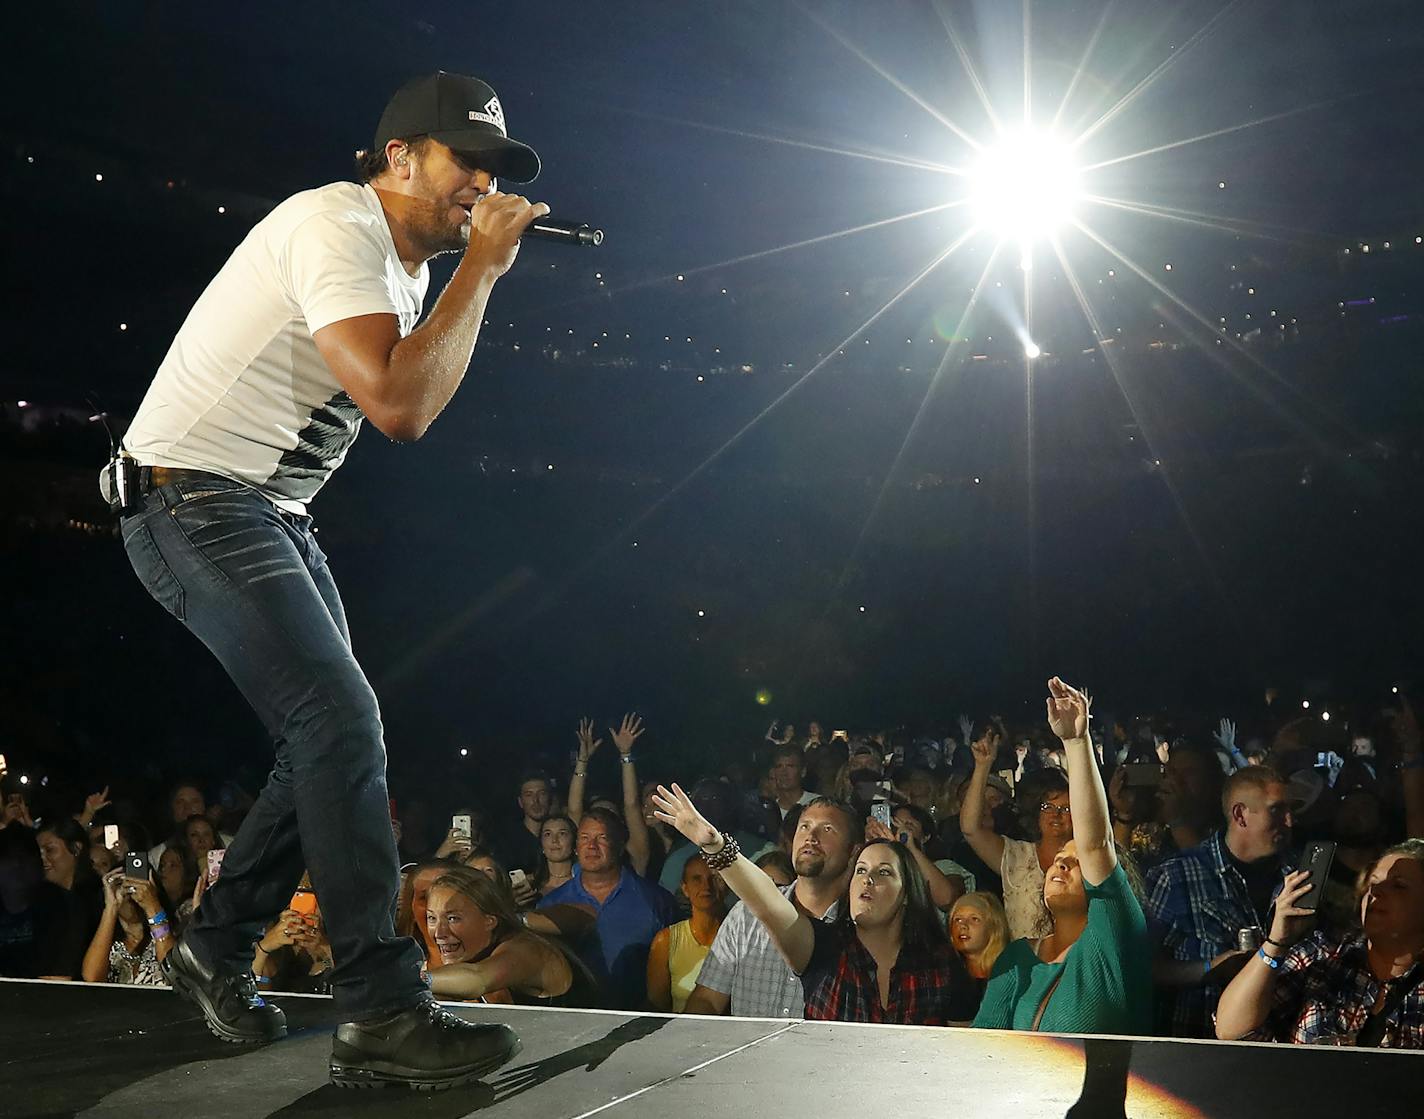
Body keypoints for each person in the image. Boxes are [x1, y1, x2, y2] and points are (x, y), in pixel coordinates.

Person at [112, 70, 543, 1086]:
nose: (478, 184)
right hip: (193, 495)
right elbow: (400, 407)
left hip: (263, 507)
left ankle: (214, 950)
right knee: (337, 725)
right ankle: (385, 1013)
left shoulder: (406, 266)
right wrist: (482, 270)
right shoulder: (334, 228)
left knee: (326, 739)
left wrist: (467, 272)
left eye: (491, 169)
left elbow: (414, 403)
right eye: (460, 161)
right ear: (397, 158)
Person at [654, 787, 978, 1026]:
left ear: (907, 891)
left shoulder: (938, 964)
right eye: (863, 871)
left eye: (883, 873)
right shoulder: (826, 947)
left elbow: (960, 1055)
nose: (867, 880)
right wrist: (715, 845)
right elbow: (766, 904)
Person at [973, 678, 1153, 1035]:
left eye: (1075, 861)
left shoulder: (1114, 942)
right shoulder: (1017, 958)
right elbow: (985, 1042)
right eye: (1059, 859)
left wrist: (1076, 741)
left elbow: (1097, 844)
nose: (1061, 863)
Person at [1216, 839, 1424, 1047]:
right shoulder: (1321, 956)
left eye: (1399, 886)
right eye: (1373, 883)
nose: (1375, 893)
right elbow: (1230, 1030)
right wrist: (1276, 943)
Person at [1144, 765, 1296, 1037]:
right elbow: (1141, 967)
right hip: (1198, 1045)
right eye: (1277, 810)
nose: (1289, 821)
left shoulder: (1292, 879)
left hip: (1274, 1048)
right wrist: (1208, 969)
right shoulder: (1178, 877)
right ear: (1240, 815)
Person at [684, 799, 854, 1017]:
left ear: (853, 850)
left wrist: (717, 846)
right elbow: (707, 998)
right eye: (805, 826)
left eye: (827, 829)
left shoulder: (857, 926)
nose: (811, 837)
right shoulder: (745, 914)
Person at [537, 807, 678, 1009]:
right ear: (576, 846)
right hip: (572, 1022)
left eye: (601, 838)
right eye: (584, 838)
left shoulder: (656, 901)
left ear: (620, 847)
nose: (592, 846)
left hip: (640, 1022)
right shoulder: (552, 905)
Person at [428, 866, 599, 1007]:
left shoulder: (526, 949)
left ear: (489, 921)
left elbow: (477, 979)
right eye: (432, 918)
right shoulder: (474, 952)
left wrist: (411, 980)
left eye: (453, 918)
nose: (439, 933)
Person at [960, 725, 1070, 940]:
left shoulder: (1086, 860)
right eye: (1048, 807)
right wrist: (982, 766)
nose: (1056, 815)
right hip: (1025, 969)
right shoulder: (1017, 856)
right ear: (1036, 811)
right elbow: (970, 829)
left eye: (1066, 809)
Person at [658, 778, 774, 896]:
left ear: (728, 804)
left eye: (714, 799)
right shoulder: (678, 857)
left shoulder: (762, 849)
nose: (708, 806)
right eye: (702, 800)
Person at [646, 856, 727, 1012]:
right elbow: (657, 1006)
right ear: (685, 888)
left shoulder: (742, 938)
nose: (706, 886)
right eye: (697, 879)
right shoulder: (667, 940)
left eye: (714, 878)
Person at [83, 866, 177, 985]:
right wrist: (111, 907)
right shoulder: (108, 944)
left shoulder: (168, 937)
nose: (130, 893)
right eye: (122, 885)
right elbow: (92, 979)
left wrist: (152, 907)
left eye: (137, 885)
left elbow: (172, 971)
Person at [36, 818, 104, 979]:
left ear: (76, 848)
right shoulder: (41, 901)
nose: (42, 859)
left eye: (49, 850)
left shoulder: (97, 897)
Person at [949, 891, 1009, 1001]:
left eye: (974, 919)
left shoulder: (1009, 975)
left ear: (993, 927)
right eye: (958, 919)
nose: (963, 926)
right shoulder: (947, 975)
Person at [767, 744, 818, 819]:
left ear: (803, 772)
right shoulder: (768, 811)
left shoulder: (818, 805)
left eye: (790, 766)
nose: (784, 772)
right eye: (779, 766)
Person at [533, 815, 576, 897]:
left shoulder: (585, 885)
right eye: (548, 834)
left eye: (562, 834)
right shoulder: (532, 887)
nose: (554, 840)